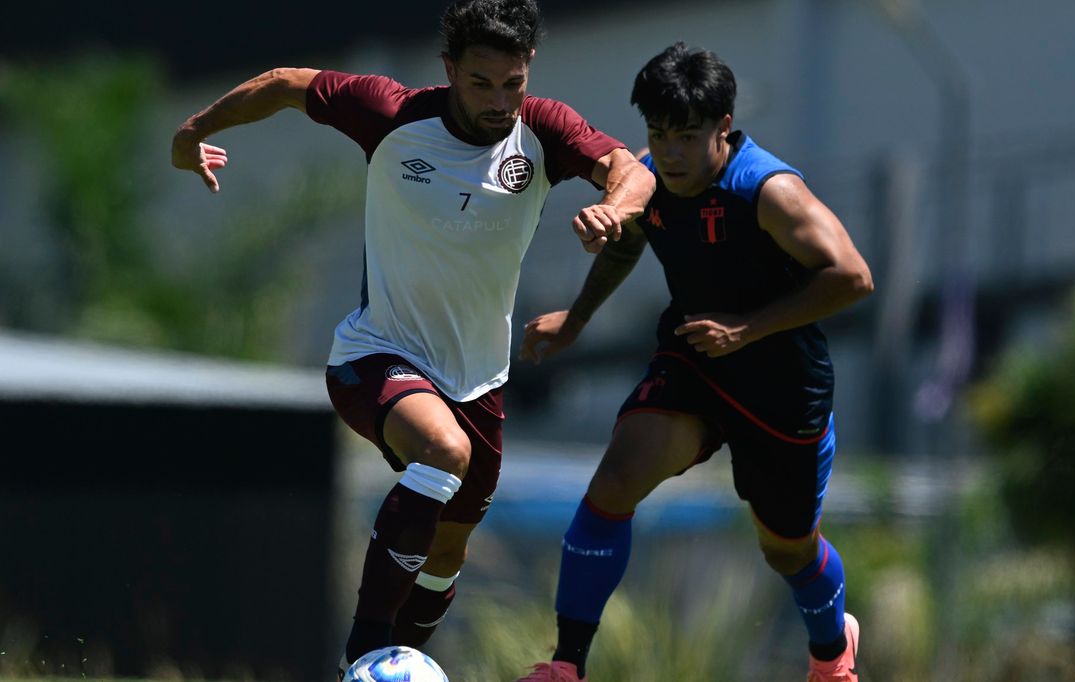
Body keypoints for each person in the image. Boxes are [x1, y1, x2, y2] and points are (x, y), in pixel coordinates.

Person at [170, 0, 655, 677]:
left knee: (446, 553)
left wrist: (614, 206)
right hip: (375, 355)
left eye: (512, 83)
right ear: (450, 69)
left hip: (479, 379)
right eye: (481, 83)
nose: (499, 101)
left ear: (529, 69)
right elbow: (284, 82)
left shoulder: (544, 130)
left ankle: (404, 659)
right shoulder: (391, 114)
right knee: (442, 449)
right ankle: (363, 655)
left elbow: (635, 171)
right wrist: (193, 131)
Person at [515, 42, 874, 682]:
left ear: (724, 128)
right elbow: (627, 245)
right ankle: (566, 665)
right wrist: (576, 319)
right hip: (696, 360)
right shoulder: (652, 176)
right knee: (616, 481)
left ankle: (831, 655)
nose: (670, 153)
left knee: (787, 551)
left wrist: (749, 328)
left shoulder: (769, 192)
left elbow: (853, 277)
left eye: (686, 136)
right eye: (658, 134)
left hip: (782, 385)